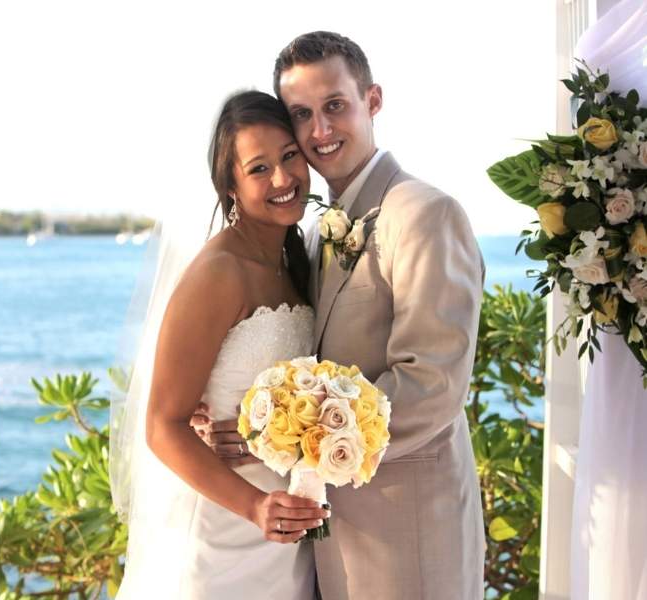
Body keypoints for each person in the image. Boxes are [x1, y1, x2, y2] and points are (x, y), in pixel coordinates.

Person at [195, 31, 486, 599]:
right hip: (334, 541)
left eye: (335, 106)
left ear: (372, 101)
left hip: (410, 532)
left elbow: (431, 385)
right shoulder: (316, 232)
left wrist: (283, 441)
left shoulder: (426, 215)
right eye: (302, 115)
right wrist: (238, 420)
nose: (320, 132)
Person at [115, 90, 326, 599]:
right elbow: (163, 425)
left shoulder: (297, 260)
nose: (282, 179)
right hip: (225, 536)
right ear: (229, 186)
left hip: (286, 537)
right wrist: (255, 506)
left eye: (289, 156)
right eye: (258, 169)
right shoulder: (217, 274)